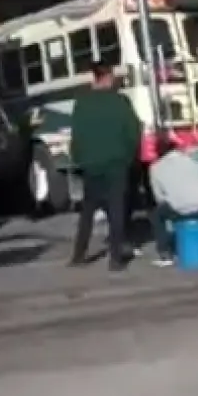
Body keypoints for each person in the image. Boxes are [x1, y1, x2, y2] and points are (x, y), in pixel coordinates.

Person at [68, 62, 142, 271]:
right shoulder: (120, 102)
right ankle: (116, 259)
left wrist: (80, 159)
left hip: (91, 165)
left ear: (94, 77)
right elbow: (133, 132)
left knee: (88, 212)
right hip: (116, 164)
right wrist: (128, 157)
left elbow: (76, 136)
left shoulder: (81, 103)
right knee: (116, 210)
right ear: (108, 77)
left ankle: (78, 255)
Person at [147, 136, 198, 267]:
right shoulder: (192, 161)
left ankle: (165, 253)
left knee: (156, 215)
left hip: (182, 210)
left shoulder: (155, 168)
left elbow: (159, 198)